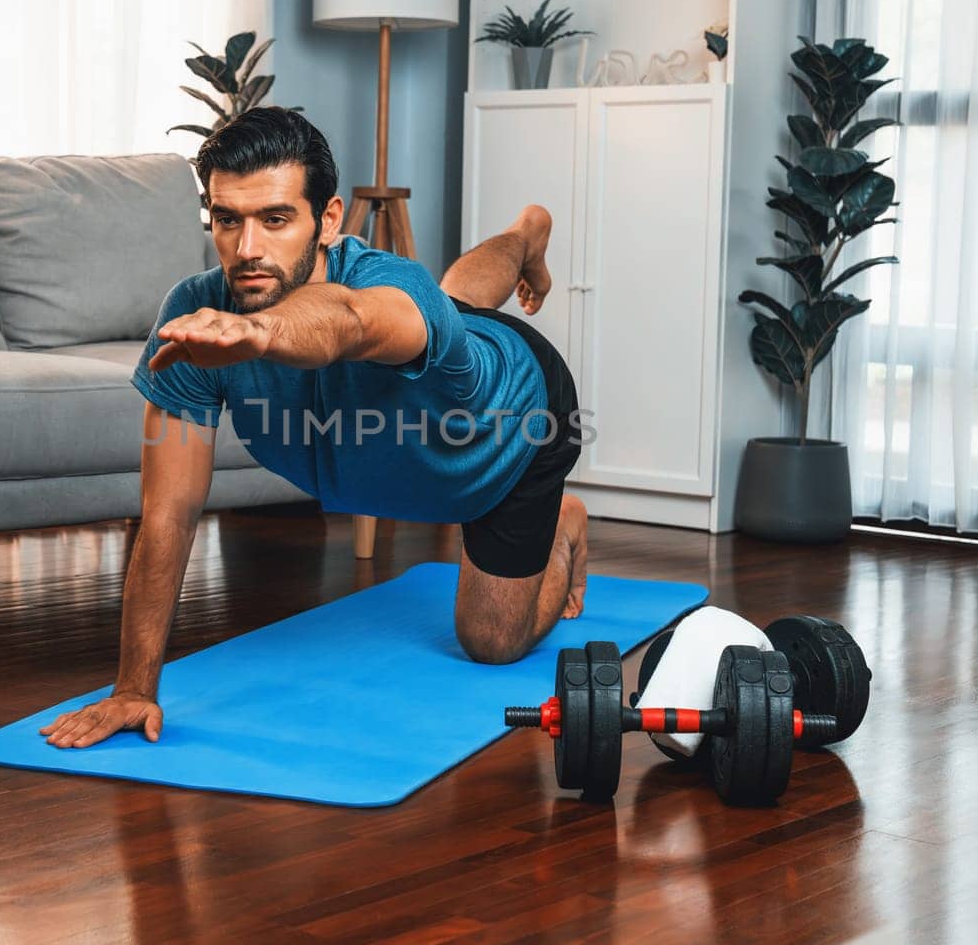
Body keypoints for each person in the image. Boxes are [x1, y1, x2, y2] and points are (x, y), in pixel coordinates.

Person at [41, 107, 587, 749]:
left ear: (328, 220)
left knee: (491, 644)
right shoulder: (194, 314)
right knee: (460, 300)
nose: (247, 250)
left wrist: (262, 332)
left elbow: (349, 320)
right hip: (447, 365)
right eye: (227, 220)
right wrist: (134, 688)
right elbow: (168, 515)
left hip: (517, 425)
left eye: (275, 219)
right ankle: (527, 234)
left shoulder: (388, 291)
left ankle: (562, 522)